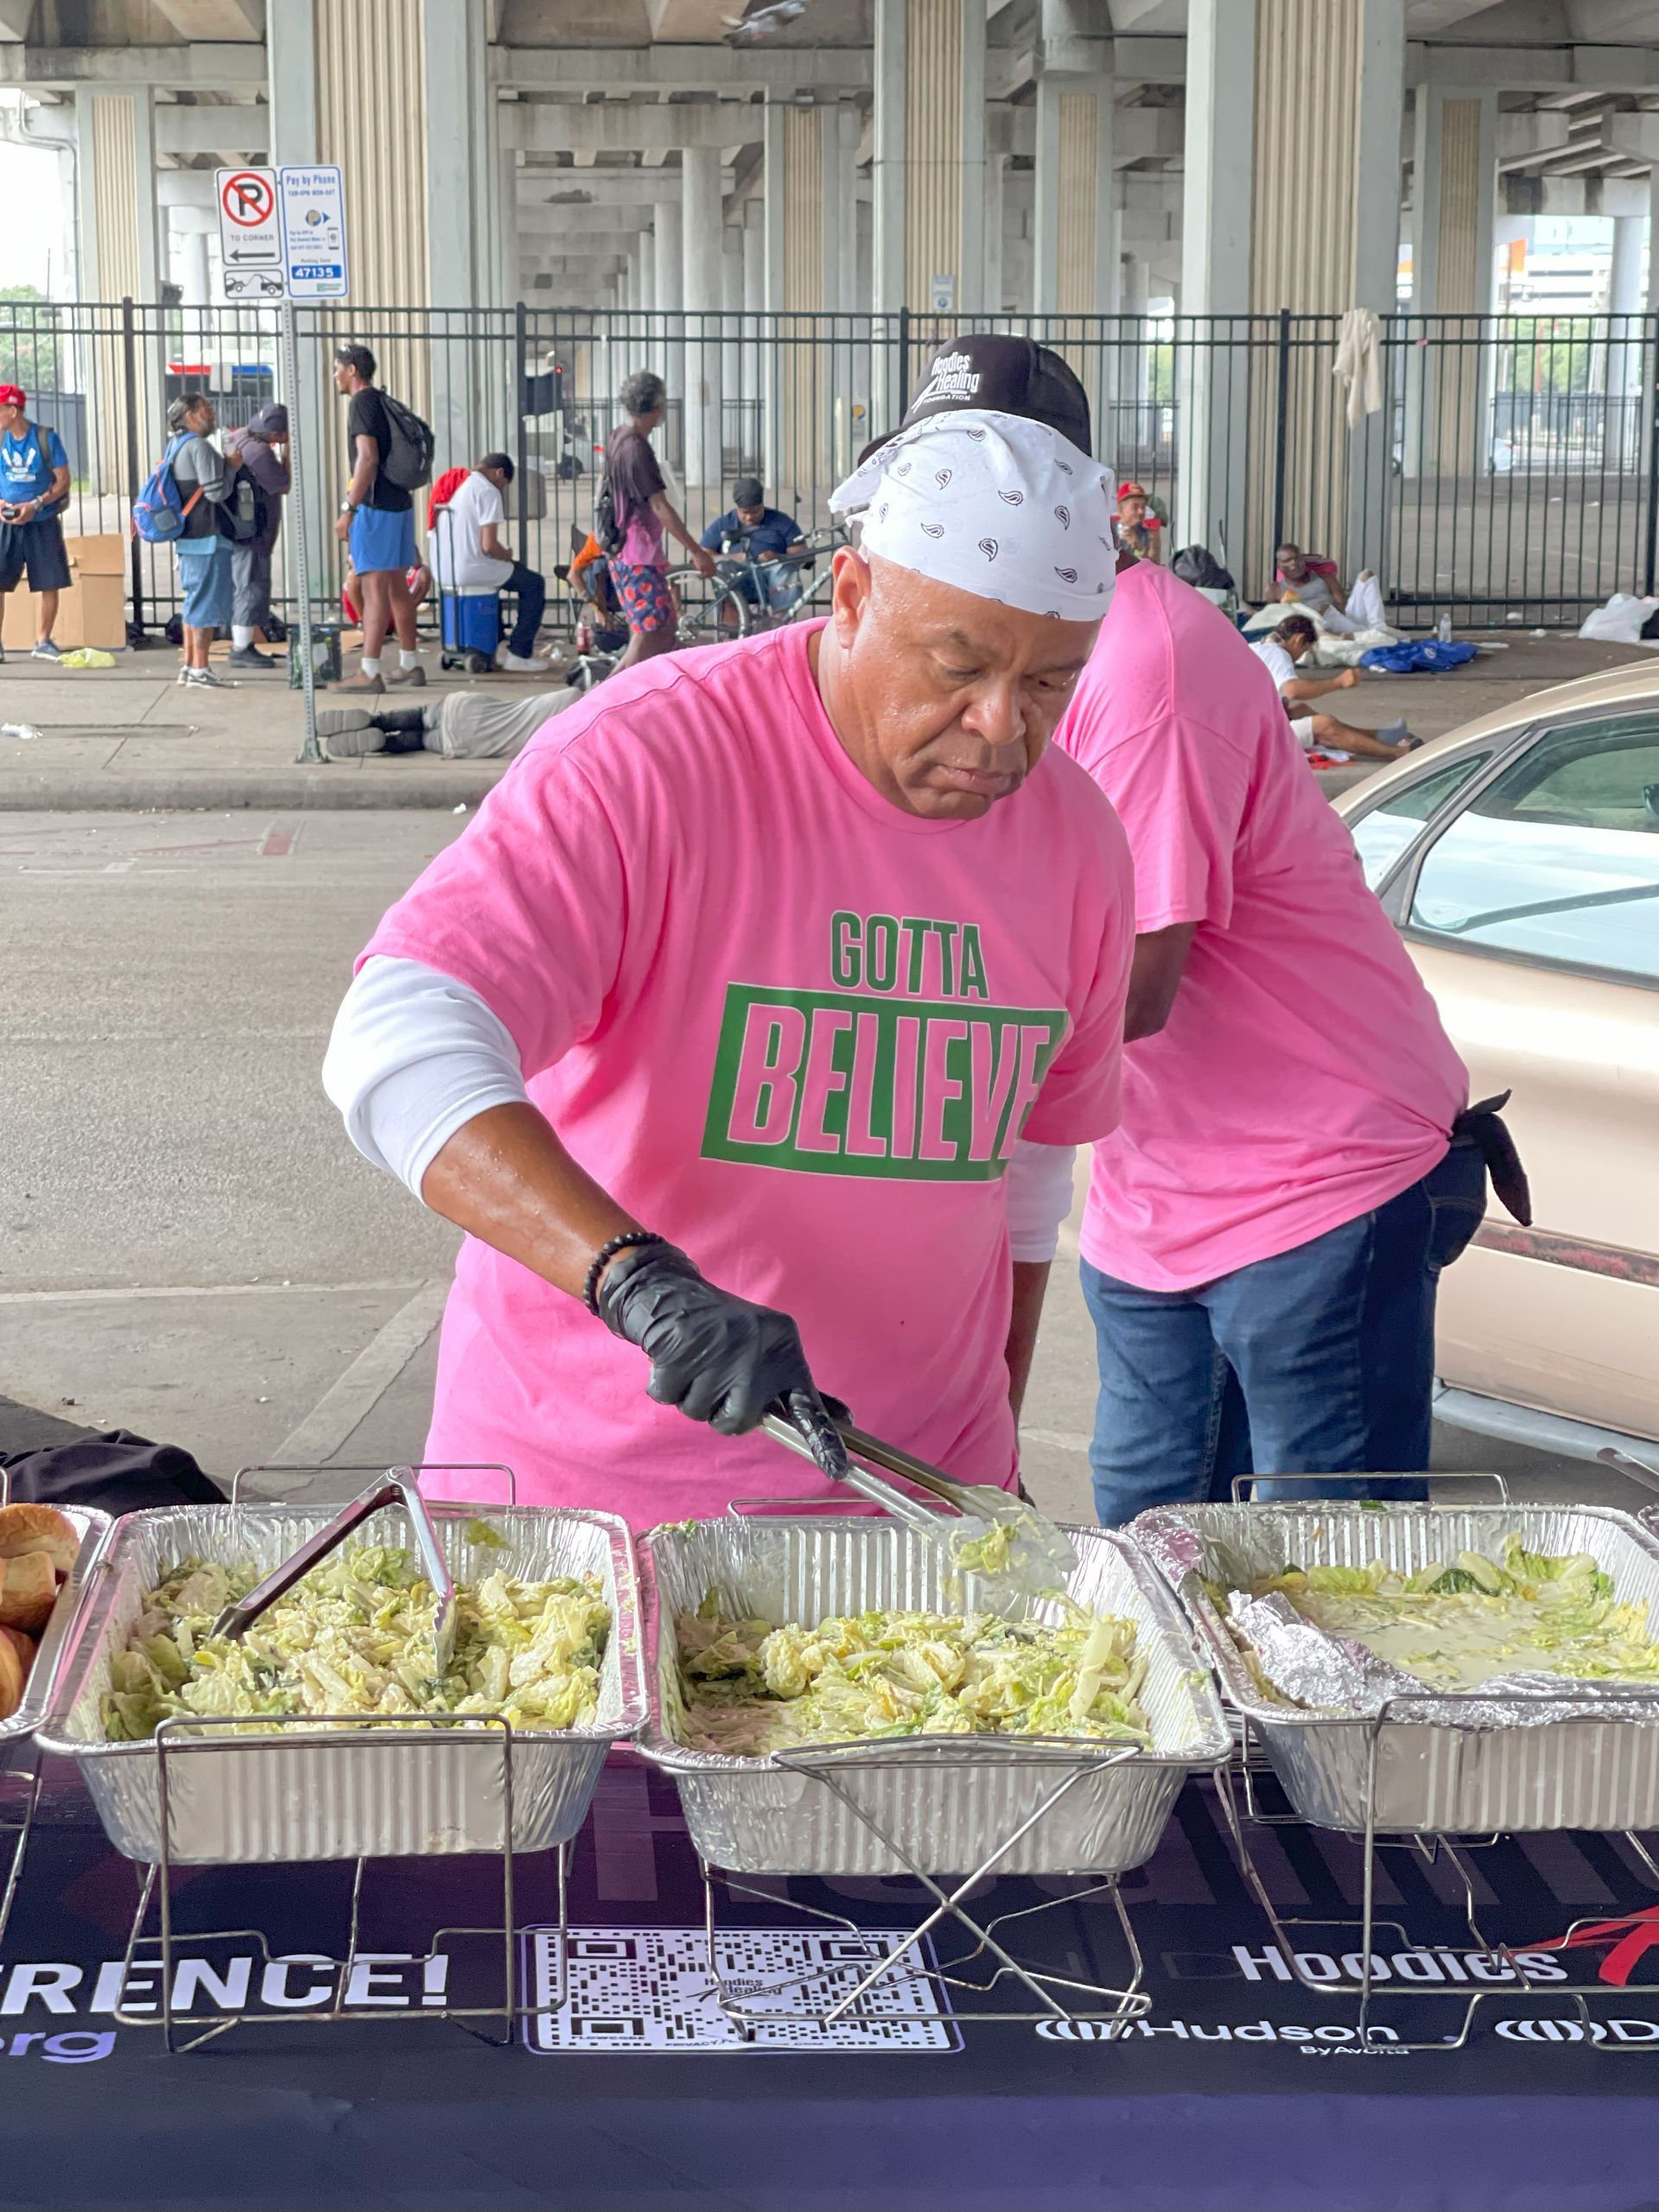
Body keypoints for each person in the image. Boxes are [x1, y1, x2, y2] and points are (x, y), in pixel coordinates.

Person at [322, 353, 1132, 1527]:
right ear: (850, 594)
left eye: (1051, 684)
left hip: (911, 1516)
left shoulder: (1081, 845)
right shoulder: (652, 758)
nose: (1001, 728)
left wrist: (982, 1467)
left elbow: (1028, 1170)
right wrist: (636, 1283)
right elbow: (395, 1036)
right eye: (958, 666)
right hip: (587, 1517)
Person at [1050, 552, 1525, 1522]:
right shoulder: (1025, 664)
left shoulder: (1148, 674)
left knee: (1325, 1569)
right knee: (1150, 1544)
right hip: (1159, 1186)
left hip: (1317, 1177)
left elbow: (1136, 991)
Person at [601, 370, 715, 672]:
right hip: (638, 557)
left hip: (627, 552)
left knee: (664, 628)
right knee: (647, 637)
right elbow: (660, 507)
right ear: (657, 407)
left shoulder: (618, 437)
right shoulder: (637, 449)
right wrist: (697, 551)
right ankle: (603, 697)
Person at [332, 342, 423, 694]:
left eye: (338, 368)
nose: (336, 376)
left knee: (373, 591)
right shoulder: (384, 401)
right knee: (398, 586)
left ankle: (369, 672)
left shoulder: (362, 403)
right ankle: (410, 664)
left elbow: (366, 458)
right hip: (399, 503)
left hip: (375, 507)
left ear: (352, 370)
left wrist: (349, 510)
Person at [435, 452, 550, 672]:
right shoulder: (488, 491)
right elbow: (489, 546)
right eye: (504, 484)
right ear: (499, 473)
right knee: (533, 583)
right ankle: (519, 653)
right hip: (474, 567)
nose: (502, 489)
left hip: (447, 569)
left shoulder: (460, 487)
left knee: (505, 579)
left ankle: (494, 640)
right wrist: (506, 554)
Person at [1251, 613, 1416, 761]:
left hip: (1242, 725)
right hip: (1252, 739)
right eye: (1304, 650)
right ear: (1299, 639)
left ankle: (1376, 736)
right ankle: (1397, 752)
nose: (1299, 657)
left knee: (1301, 710)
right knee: (1325, 724)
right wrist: (1338, 682)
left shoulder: (1257, 647)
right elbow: (1293, 690)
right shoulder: (1277, 653)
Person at [165, 391, 237, 691]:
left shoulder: (175, 446)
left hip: (187, 538)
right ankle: (200, 668)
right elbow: (216, 492)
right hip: (206, 536)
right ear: (191, 416)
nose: (213, 414)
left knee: (193, 600)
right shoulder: (199, 447)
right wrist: (231, 465)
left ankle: (189, 665)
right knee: (204, 605)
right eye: (207, 408)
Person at [0, 383, 72, 663]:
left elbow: (64, 480)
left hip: (41, 520)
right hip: (7, 524)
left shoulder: (45, 438)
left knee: (49, 581)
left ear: (13, 410)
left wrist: (36, 504)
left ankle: (43, 640)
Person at [320, 688, 576, 761]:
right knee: (421, 741)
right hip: (467, 743)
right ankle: (383, 744)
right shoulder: (568, 739)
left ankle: (377, 721)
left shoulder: (573, 697)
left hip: (467, 709)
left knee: (421, 716)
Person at [222, 402, 289, 671]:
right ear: (276, 435)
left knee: (245, 585)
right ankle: (241, 648)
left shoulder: (241, 437)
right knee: (250, 587)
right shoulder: (260, 453)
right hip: (253, 532)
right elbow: (283, 484)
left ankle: (245, 644)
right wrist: (289, 453)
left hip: (241, 529)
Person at [701, 476, 809, 613]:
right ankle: (734, 627)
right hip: (739, 580)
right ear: (737, 508)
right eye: (745, 513)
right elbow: (704, 552)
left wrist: (778, 557)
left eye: (755, 512)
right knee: (722, 566)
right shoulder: (724, 523)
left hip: (772, 579)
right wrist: (732, 557)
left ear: (762, 505)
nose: (749, 517)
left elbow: (803, 553)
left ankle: (779, 623)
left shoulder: (782, 522)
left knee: (786, 569)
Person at [1112, 481, 1161, 565]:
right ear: (1120, 509)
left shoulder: (1150, 534)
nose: (1141, 511)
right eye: (1135, 507)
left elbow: (1153, 567)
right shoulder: (1109, 532)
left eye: (1143, 507)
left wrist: (1139, 547)